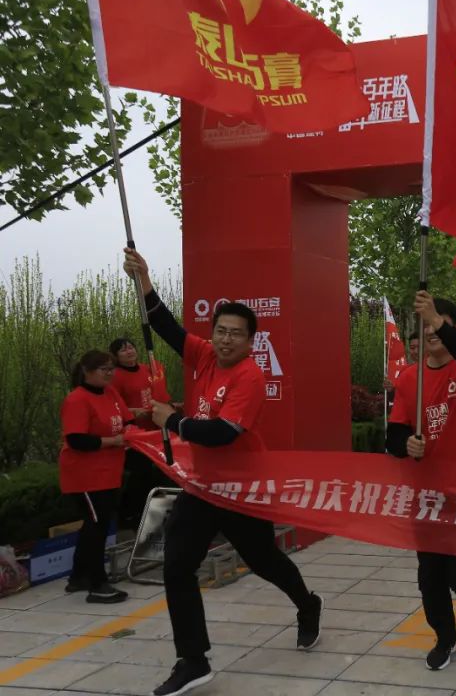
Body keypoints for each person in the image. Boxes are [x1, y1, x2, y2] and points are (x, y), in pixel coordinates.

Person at [123, 248, 322, 696]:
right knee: (178, 567)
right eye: (220, 331)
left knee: (264, 561)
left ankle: (307, 603)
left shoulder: (250, 377)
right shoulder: (207, 356)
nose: (226, 340)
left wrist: (171, 420)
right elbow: (166, 327)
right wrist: (144, 279)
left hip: (241, 489)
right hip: (201, 487)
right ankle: (193, 660)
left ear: (251, 341)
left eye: (236, 334)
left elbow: (220, 434)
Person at [385, 292, 456, 670]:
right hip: (428, 496)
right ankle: (445, 637)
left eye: (439, 322)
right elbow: (394, 434)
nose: (431, 330)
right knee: (430, 576)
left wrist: (435, 318)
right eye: (425, 324)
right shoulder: (409, 379)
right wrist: (406, 443)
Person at [59, 349, 134, 604]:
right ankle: (97, 584)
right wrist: (112, 441)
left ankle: (79, 577)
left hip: (109, 472)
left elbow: (127, 421)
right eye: (104, 369)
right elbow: (76, 439)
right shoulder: (77, 400)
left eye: (112, 369)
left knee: (96, 524)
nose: (110, 373)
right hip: (85, 475)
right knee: (97, 526)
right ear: (87, 371)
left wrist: (133, 434)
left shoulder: (110, 393)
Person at [108, 337, 177, 528]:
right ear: (115, 356)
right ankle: (131, 515)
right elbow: (113, 405)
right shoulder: (116, 376)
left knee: (163, 472)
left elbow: (161, 394)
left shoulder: (150, 370)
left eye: (131, 347)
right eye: (123, 350)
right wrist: (134, 412)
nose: (129, 351)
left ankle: (159, 513)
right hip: (134, 435)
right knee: (140, 475)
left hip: (156, 431)